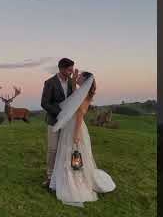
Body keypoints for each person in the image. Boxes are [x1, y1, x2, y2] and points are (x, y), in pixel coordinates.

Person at [49, 71, 116, 207]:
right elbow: (74, 93)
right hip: (71, 127)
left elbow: (79, 115)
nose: (77, 77)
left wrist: (76, 134)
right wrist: (73, 80)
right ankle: (64, 177)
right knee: (69, 154)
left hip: (76, 128)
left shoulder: (84, 96)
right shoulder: (81, 93)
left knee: (74, 154)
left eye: (80, 77)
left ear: (85, 81)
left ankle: (75, 182)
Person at [40, 58, 77, 188]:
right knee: (53, 149)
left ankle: (62, 175)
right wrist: (60, 113)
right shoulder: (50, 83)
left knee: (65, 149)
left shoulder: (72, 83)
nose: (71, 72)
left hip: (68, 123)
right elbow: (44, 103)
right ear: (61, 69)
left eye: (72, 69)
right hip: (54, 121)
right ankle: (50, 177)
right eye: (69, 69)